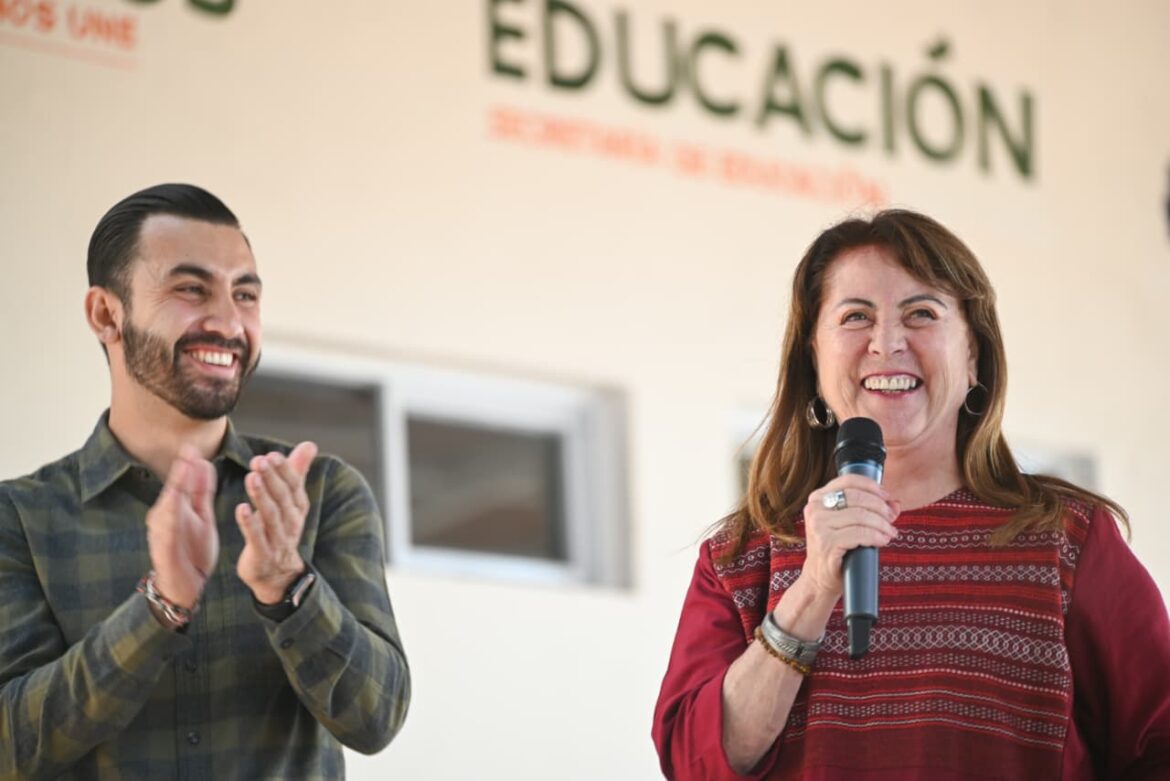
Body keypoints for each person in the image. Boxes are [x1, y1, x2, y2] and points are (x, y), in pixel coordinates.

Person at [651, 210, 1170, 779]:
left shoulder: (1064, 541)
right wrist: (812, 591)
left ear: (973, 356)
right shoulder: (742, 557)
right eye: (856, 316)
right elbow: (693, 763)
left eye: (921, 313)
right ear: (813, 361)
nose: (887, 343)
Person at [0, 184, 410, 779]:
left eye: (245, 294)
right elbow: (10, 747)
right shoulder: (18, 519)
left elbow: (376, 719)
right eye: (191, 289)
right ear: (106, 314)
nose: (228, 322)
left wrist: (288, 586)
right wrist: (159, 607)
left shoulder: (321, 492)